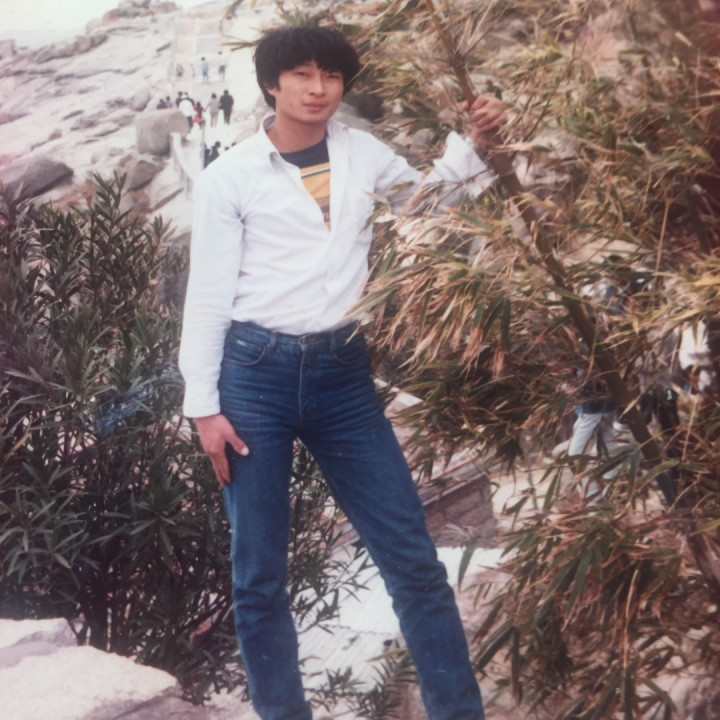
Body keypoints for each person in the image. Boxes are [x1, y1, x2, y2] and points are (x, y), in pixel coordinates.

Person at [178, 25, 505, 720]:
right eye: (300, 74)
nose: (317, 88)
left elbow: (425, 202)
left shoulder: (363, 152)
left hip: (344, 377)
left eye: (330, 75)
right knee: (260, 577)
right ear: (271, 84)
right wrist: (203, 407)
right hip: (254, 380)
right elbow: (206, 298)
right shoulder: (228, 177)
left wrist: (474, 141)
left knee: (413, 562)